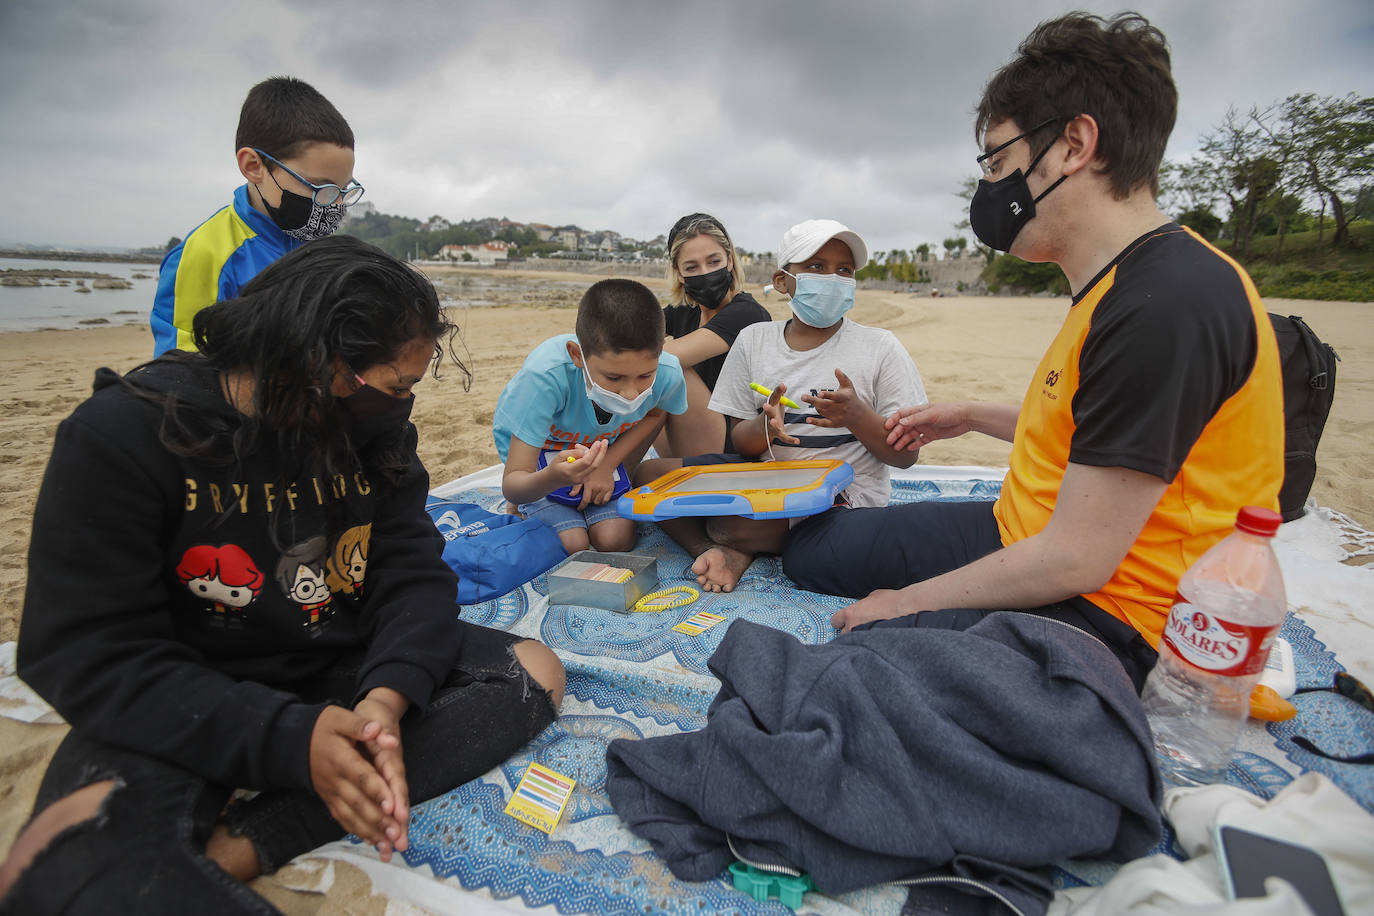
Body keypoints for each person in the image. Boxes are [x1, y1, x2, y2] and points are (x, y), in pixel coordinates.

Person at [0, 237, 565, 914]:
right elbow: (85, 651)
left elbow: (411, 572)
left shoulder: (375, 435)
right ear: (316, 359)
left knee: (531, 673)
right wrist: (287, 741)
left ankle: (263, 834)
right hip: (191, 682)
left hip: (331, 654)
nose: (402, 407)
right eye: (395, 387)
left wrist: (385, 698)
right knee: (56, 863)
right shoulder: (121, 437)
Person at [783, 12, 1284, 690]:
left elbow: (1080, 557)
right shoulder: (1112, 286)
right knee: (811, 554)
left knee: (838, 675)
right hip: (1021, 525)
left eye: (998, 162)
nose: (991, 189)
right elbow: (1101, 434)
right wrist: (967, 415)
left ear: (1075, 143)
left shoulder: (1166, 302)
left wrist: (904, 605)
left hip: (1113, 610)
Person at [637, 219, 927, 594]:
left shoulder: (880, 347)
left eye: (844, 270)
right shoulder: (755, 340)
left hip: (842, 492)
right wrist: (765, 428)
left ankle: (735, 546)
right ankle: (711, 550)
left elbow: (906, 457)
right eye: (817, 267)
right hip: (768, 478)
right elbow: (742, 444)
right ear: (782, 281)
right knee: (648, 476)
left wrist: (856, 416)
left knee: (736, 525)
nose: (832, 279)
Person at [150, 76, 364, 357]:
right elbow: (180, 367)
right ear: (253, 166)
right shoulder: (206, 255)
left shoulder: (318, 246)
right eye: (321, 188)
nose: (334, 204)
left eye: (342, 190)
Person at [493, 278, 688, 556]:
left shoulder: (668, 373)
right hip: (542, 460)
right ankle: (526, 510)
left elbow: (657, 412)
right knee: (572, 543)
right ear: (577, 356)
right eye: (613, 377)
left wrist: (608, 463)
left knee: (616, 540)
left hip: (601, 454)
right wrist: (551, 478)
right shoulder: (544, 379)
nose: (631, 393)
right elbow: (513, 484)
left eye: (645, 375)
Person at [658, 213, 772, 457]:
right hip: (685, 436)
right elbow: (629, 333)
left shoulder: (747, 314)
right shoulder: (684, 311)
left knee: (670, 370)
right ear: (679, 273)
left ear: (730, 261)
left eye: (713, 262)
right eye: (691, 267)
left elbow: (664, 358)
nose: (705, 273)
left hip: (734, 444)